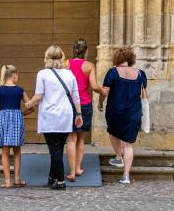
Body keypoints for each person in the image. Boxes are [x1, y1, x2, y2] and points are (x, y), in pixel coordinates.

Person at [26, 45, 83, 190]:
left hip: (50, 116)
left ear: (47, 58)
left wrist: (28, 104)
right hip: (66, 115)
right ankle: (52, 178)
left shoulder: (43, 74)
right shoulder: (69, 74)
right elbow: (76, 96)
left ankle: (61, 181)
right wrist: (79, 114)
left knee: (55, 150)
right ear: (62, 57)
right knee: (57, 149)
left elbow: (38, 97)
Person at [98, 46, 148, 185]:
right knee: (128, 145)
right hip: (133, 112)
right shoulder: (140, 73)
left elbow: (105, 91)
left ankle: (118, 157)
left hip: (115, 111)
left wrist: (100, 103)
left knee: (112, 132)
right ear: (131, 59)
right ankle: (125, 176)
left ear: (116, 59)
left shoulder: (113, 72)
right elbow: (144, 94)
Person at [65, 38, 105, 182]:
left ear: (74, 50)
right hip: (84, 104)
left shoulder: (65, 64)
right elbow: (94, 86)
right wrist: (102, 92)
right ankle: (77, 168)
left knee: (71, 137)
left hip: (69, 104)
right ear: (86, 51)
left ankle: (71, 171)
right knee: (81, 138)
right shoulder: (89, 66)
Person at [0, 64, 33, 188]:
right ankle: (17, 179)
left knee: (5, 152)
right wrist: (21, 114)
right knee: (17, 150)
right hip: (17, 119)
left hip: (2, 119)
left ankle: (8, 181)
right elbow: (31, 107)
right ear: (13, 75)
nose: (18, 77)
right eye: (17, 75)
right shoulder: (20, 90)